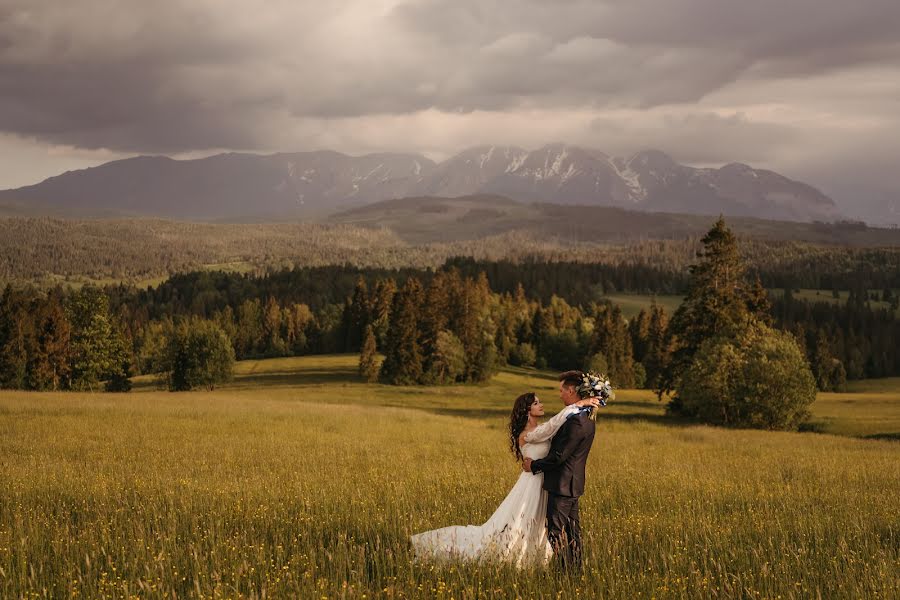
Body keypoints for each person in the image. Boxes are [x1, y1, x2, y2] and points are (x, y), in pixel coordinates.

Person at [410, 388, 599, 567]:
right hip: (532, 484)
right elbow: (552, 426)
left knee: (541, 523)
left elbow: (554, 429)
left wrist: (580, 408)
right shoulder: (526, 435)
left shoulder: (542, 428)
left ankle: (537, 556)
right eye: (536, 403)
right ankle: (517, 554)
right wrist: (576, 405)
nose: (541, 405)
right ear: (527, 410)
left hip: (545, 483)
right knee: (521, 520)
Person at [523, 370, 597, 572]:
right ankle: (575, 569)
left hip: (562, 485)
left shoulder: (576, 422)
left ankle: (565, 571)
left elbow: (558, 456)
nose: (560, 394)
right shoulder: (587, 418)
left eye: (562, 390)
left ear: (571, 391)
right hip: (573, 484)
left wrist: (534, 466)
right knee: (573, 532)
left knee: (555, 531)